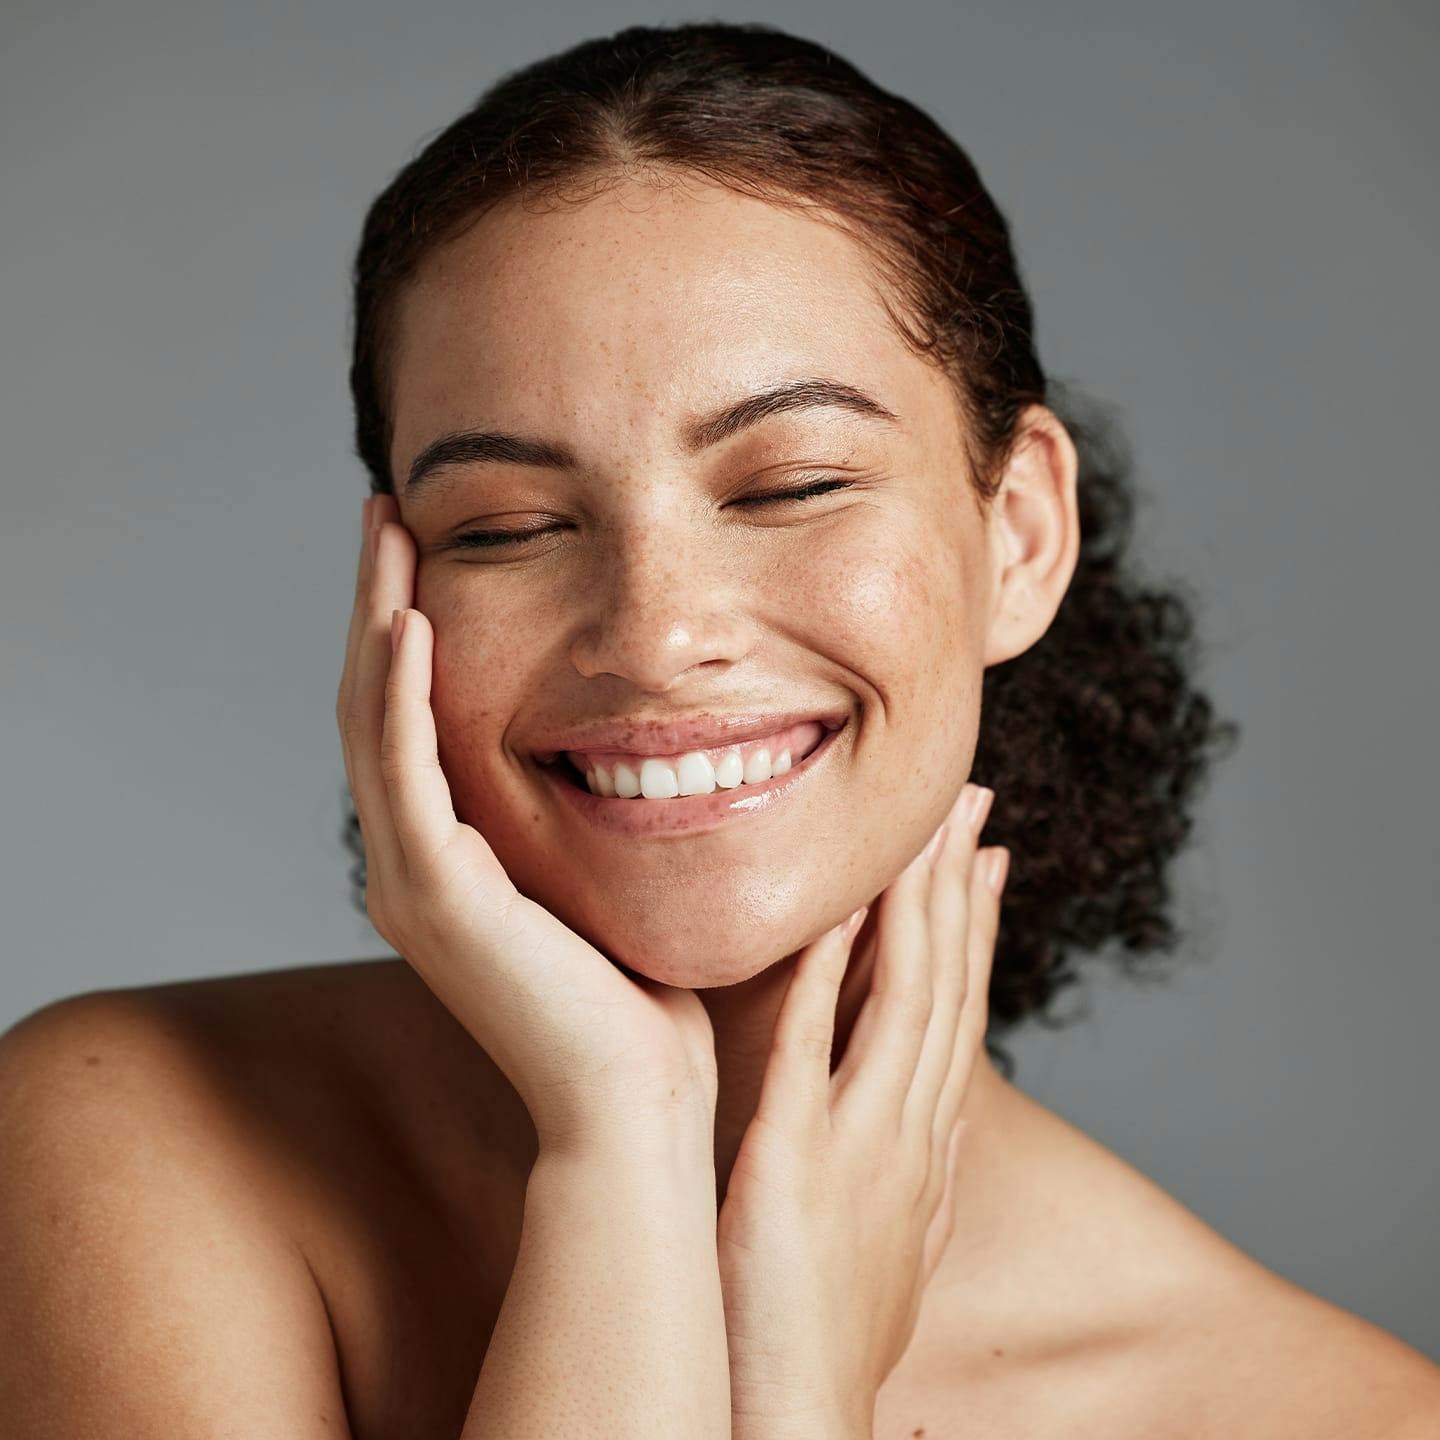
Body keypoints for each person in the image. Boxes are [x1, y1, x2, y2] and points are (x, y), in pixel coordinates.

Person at [3, 19, 1436, 1439]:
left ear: (1020, 532)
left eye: (791, 485)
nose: (653, 633)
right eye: (508, 527)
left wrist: (797, 1399)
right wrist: (619, 1149)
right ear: (399, 587)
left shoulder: (1334, 1414)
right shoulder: (124, 1147)